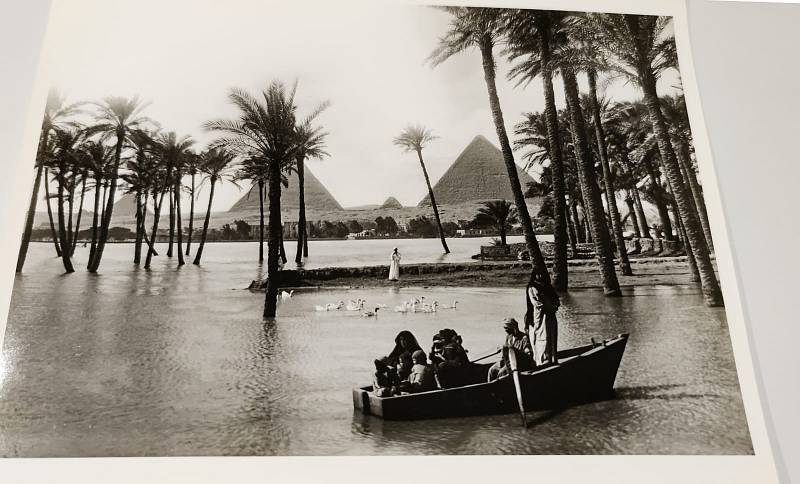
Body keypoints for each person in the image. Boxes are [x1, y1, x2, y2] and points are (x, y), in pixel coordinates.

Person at [524, 271, 560, 366]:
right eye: (537, 274)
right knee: (541, 339)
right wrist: (549, 306)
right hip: (538, 319)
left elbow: (556, 300)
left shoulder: (548, 287)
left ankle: (552, 359)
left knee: (551, 338)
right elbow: (537, 303)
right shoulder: (532, 288)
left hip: (550, 316)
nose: (540, 275)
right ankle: (542, 361)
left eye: (541, 274)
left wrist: (553, 306)